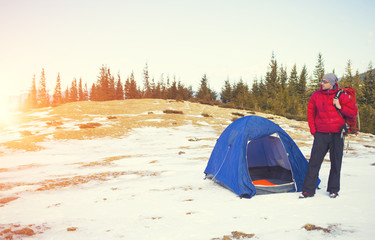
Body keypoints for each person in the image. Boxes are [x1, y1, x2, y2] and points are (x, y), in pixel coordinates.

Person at [300, 73, 358, 198]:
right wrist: (313, 130)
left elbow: (353, 112)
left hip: (337, 134)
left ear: (331, 83)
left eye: (325, 81)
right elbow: (310, 113)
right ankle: (308, 191)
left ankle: (333, 190)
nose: (322, 83)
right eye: (321, 81)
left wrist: (339, 106)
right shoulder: (316, 96)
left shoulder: (341, 96)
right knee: (314, 162)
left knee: (336, 162)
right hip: (321, 134)